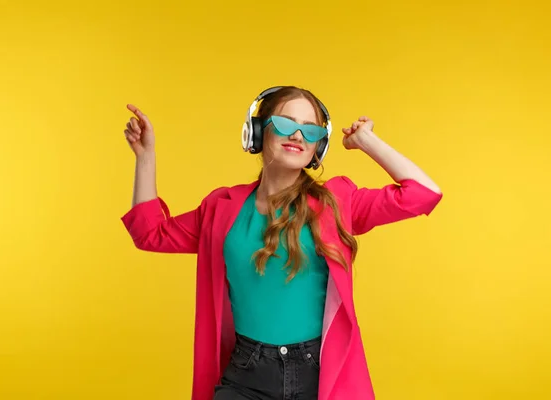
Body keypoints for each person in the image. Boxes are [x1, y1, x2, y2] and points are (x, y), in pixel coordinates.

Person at [120, 86, 443, 400]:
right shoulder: (222, 207)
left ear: (320, 145)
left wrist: (367, 141)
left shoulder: (337, 202)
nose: (298, 136)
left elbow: (423, 194)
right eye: (286, 124)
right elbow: (151, 234)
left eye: (311, 130)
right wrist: (145, 156)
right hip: (247, 373)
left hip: (318, 374)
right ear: (258, 133)